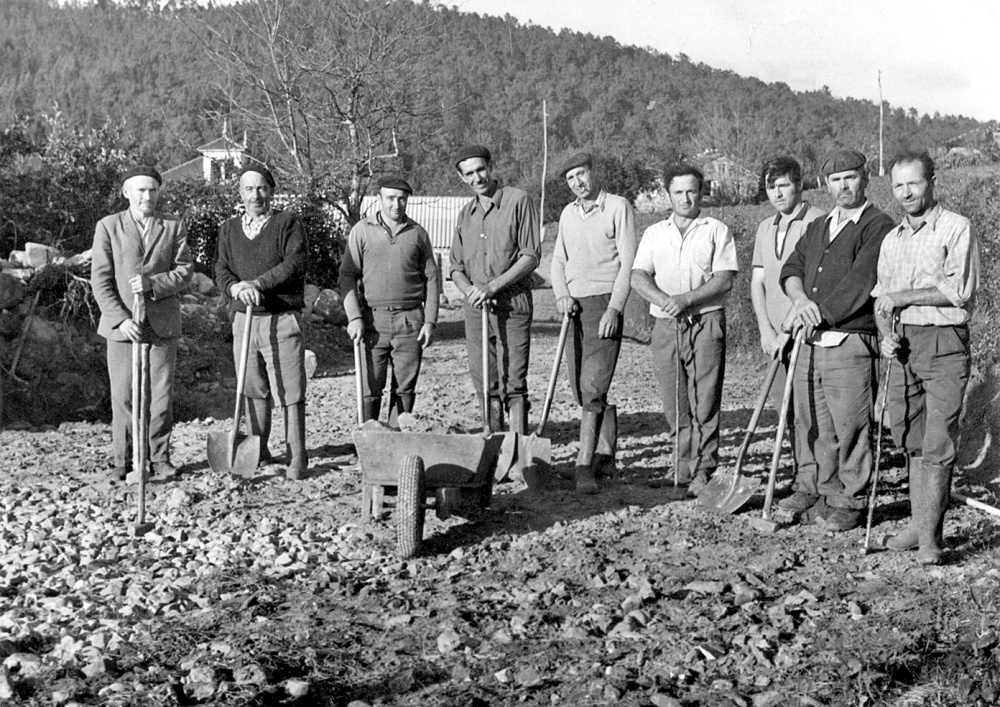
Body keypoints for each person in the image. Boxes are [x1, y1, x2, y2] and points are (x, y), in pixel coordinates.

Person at [779, 149, 895, 530]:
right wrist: (799, 302)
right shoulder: (817, 226)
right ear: (824, 184)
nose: (843, 186)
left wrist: (820, 314)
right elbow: (792, 268)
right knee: (812, 423)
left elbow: (862, 281)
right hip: (810, 339)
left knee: (851, 425)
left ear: (865, 178)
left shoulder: (878, 225)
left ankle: (850, 499)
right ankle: (817, 489)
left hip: (849, 339)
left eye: (850, 177)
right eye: (835, 179)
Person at [873, 150, 979, 565]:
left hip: (944, 341)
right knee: (910, 435)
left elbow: (960, 290)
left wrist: (904, 298)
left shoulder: (957, 228)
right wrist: (885, 336)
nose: (906, 193)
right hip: (904, 344)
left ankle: (932, 539)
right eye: (898, 186)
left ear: (932, 181)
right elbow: (882, 302)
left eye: (913, 183)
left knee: (938, 439)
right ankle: (919, 524)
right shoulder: (892, 239)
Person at [631, 165, 738, 493]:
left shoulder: (716, 230)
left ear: (701, 191)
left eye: (691, 191)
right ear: (669, 195)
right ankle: (681, 466)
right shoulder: (654, 233)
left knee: (705, 398)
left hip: (705, 322)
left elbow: (725, 278)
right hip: (666, 325)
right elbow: (638, 276)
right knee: (674, 399)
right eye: (678, 192)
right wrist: (666, 301)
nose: (686, 198)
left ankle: (704, 468)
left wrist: (687, 299)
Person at [91, 165, 193, 480]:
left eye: (152, 189)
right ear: (127, 192)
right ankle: (124, 461)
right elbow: (100, 280)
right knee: (123, 395)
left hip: (162, 324)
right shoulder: (108, 227)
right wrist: (120, 320)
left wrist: (153, 283)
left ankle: (159, 458)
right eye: (140, 190)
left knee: (160, 396)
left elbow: (185, 270)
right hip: (122, 327)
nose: (147, 195)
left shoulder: (173, 226)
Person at [550, 151, 638, 493]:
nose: (577, 183)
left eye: (581, 174)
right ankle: (605, 455)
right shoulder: (567, 214)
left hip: (604, 304)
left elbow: (629, 262)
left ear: (594, 172)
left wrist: (615, 309)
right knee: (579, 388)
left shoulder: (618, 207)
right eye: (571, 179)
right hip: (573, 308)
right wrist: (562, 296)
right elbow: (558, 261)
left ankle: (583, 465)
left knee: (593, 386)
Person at [215, 165, 309, 479]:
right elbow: (222, 268)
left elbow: (292, 265)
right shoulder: (229, 228)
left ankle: (297, 458)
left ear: (271, 191)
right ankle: (260, 450)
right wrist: (234, 287)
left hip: (280, 318)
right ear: (240, 194)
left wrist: (258, 284)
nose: (256, 195)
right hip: (244, 319)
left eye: (262, 188)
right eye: (248, 189)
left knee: (289, 389)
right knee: (253, 386)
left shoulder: (288, 223)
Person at [449, 145, 540, 435]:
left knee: (513, 378)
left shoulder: (518, 201)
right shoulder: (465, 215)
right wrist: (471, 291)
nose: (477, 177)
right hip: (477, 309)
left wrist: (492, 286)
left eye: (480, 169)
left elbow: (530, 256)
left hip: (512, 304)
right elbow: (455, 268)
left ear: (490, 166)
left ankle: (517, 449)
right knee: (483, 379)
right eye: (469, 174)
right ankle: (494, 443)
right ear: (462, 178)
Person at [749, 157, 824, 502]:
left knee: (812, 411)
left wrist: (789, 329)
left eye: (783, 185)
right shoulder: (766, 227)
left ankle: (815, 483)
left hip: (808, 332)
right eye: (770, 186)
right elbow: (758, 282)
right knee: (787, 410)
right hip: (776, 337)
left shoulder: (819, 220)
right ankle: (799, 477)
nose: (777, 193)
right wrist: (766, 330)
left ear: (799, 185)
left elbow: (815, 284)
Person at [339, 175, 440, 425]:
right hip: (373, 321)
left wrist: (430, 322)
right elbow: (347, 276)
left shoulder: (418, 234)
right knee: (370, 385)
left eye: (402, 199)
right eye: (391, 198)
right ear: (379, 199)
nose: (397, 205)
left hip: (409, 320)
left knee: (405, 386)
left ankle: (398, 437)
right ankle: (369, 439)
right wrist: (354, 317)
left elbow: (433, 279)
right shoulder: (362, 231)